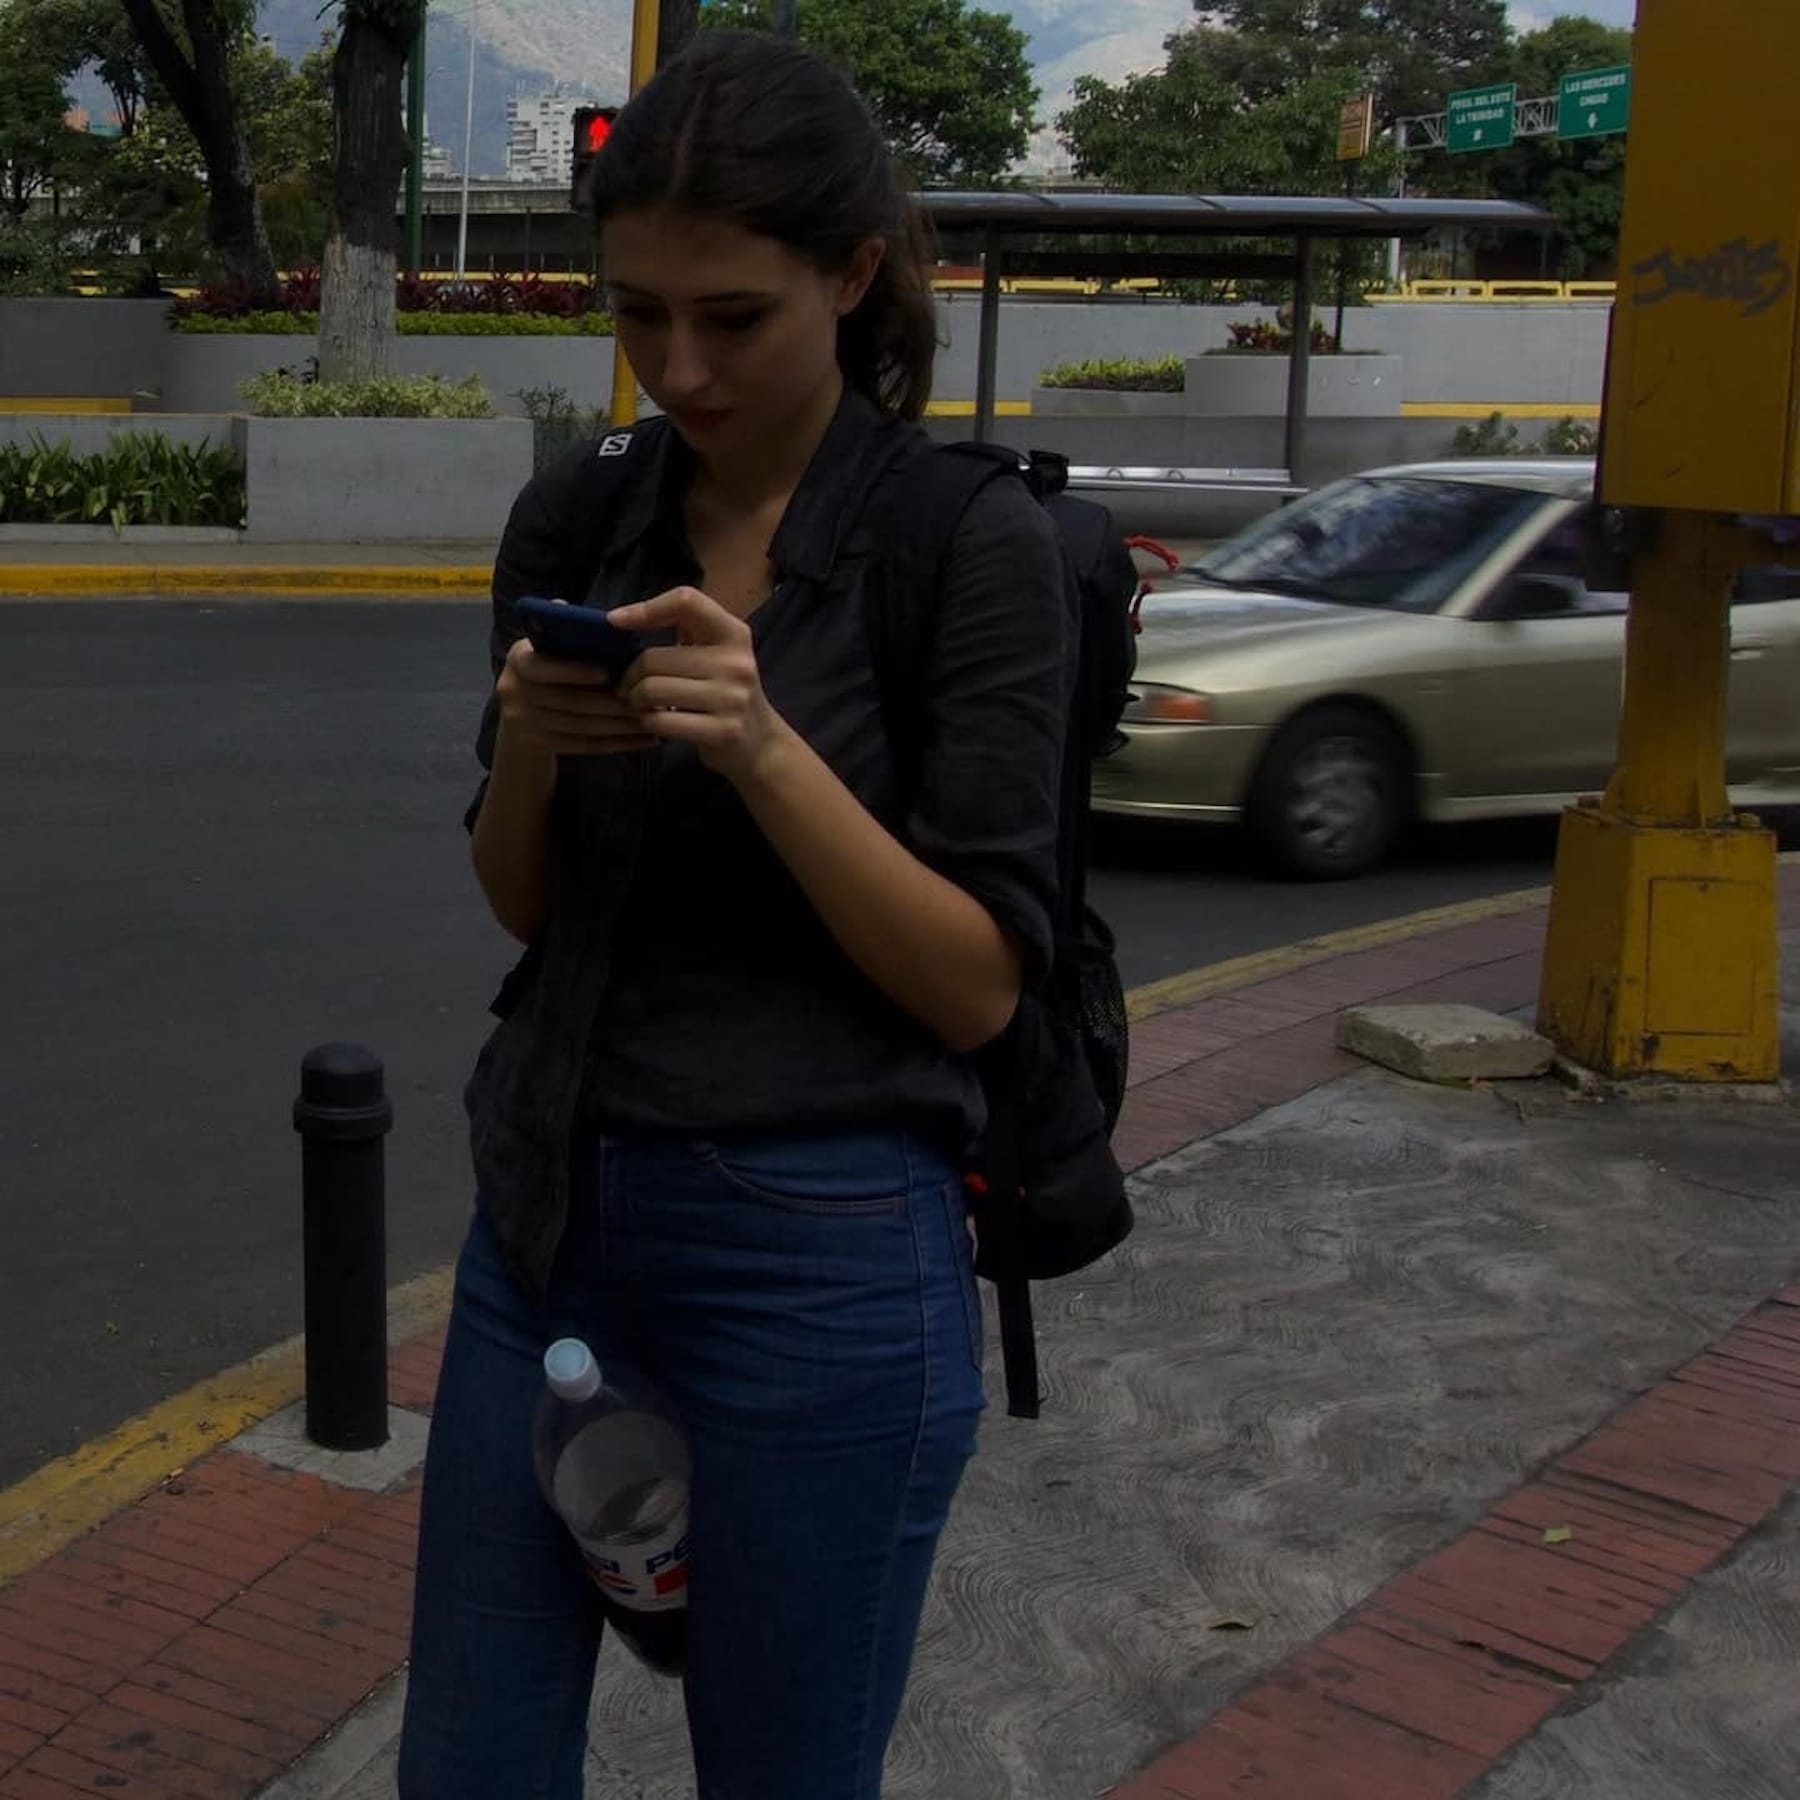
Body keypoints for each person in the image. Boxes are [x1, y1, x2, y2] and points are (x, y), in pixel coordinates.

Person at [398, 29, 1076, 1800]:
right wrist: (537, 751)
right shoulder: (588, 511)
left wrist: (767, 749)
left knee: (780, 1770)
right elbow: (516, 900)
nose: (678, 367)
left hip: (826, 1255)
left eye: (732, 317)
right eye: (638, 315)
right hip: (550, 1231)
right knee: (466, 1764)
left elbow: (978, 985)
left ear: (853, 276)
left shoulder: (960, 544)